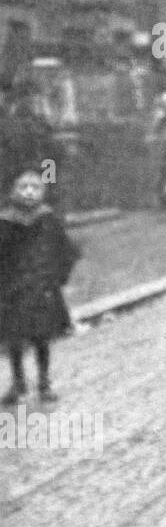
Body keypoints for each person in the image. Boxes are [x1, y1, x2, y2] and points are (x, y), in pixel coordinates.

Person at [0, 167, 80, 405]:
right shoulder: (5, 221)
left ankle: (44, 382)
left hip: (41, 287)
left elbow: (66, 251)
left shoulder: (48, 219)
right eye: (23, 188)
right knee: (14, 338)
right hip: (12, 289)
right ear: (14, 192)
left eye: (34, 187)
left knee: (41, 338)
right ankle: (18, 382)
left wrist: (58, 277)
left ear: (42, 192)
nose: (29, 193)